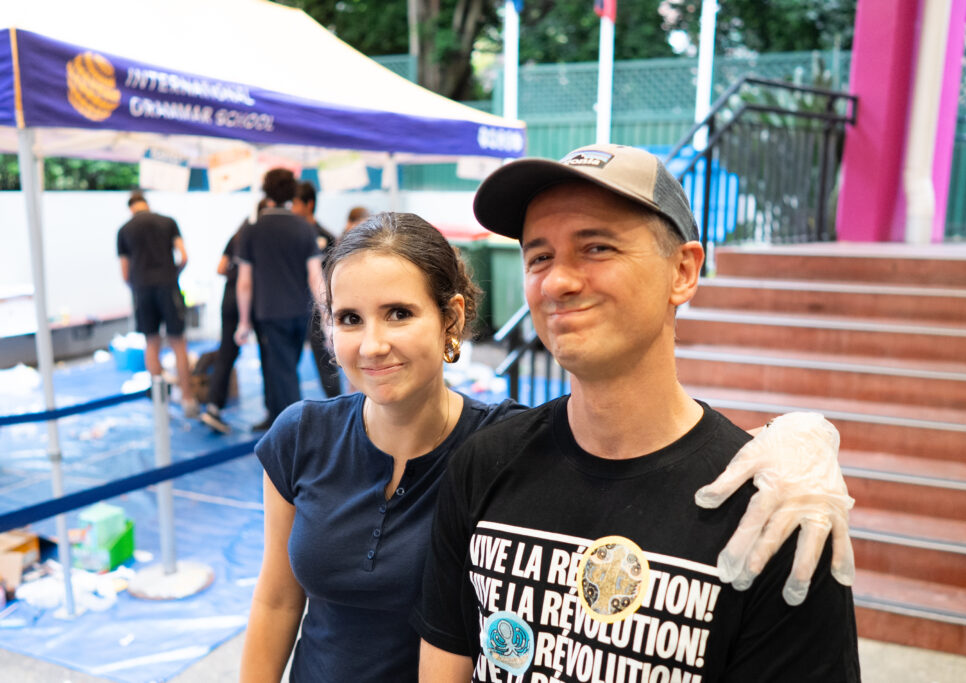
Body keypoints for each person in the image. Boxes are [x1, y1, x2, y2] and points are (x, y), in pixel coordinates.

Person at [240, 211, 855, 682]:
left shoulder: (499, 450)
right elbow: (275, 599)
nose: (372, 344)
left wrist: (800, 437)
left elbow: (628, 448)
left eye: (398, 313)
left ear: (450, 320)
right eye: (348, 318)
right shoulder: (302, 435)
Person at [413, 144, 860, 681]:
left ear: (683, 271)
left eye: (597, 248)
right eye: (539, 257)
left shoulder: (775, 510)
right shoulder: (485, 464)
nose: (557, 282)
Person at [234, 169, 324, 432]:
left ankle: (295, 433)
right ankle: (274, 416)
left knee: (282, 373)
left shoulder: (252, 228)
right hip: (299, 312)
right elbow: (315, 277)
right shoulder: (304, 228)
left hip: (270, 313)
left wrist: (243, 321)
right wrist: (327, 316)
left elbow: (244, 281)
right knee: (282, 369)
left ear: (266, 191)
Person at [116, 190, 198, 417]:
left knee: (151, 343)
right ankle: (188, 399)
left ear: (131, 207)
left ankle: (161, 403)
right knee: (178, 343)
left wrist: (139, 285)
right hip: (168, 285)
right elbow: (184, 256)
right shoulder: (167, 222)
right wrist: (173, 274)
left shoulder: (124, 230)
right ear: (146, 204)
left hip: (142, 290)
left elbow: (124, 273)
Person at [200, 199, 269, 434]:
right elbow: (249, 278)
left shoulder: (239, 234)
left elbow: (220, 268)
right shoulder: (260, 236)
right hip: (251, 299)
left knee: (226, 353)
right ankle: (274, 412)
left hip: (229, 298)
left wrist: (234, 271)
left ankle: (213, 407)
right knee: (267, 353)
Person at [292, 181, 342, 399]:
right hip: (292, 307)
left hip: (318, 309)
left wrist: (329, 311)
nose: (292, 209)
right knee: (286, 362)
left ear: (308, 204)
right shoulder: (289, 237)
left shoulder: (326, 237)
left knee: (325, 359)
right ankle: (282, 411)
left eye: (295, 203)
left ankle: (337, 404)